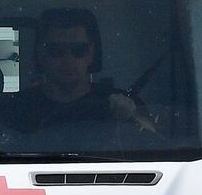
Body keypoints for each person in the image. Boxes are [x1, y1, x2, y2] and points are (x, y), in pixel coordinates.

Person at [14, 7, 155, 133]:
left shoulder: (122, 104)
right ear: (40, 54)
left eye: (79, 50)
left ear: (92, 53)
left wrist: (130, 118)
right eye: (56, 50)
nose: (68, 60)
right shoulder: (17, 109)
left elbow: (153, 141)